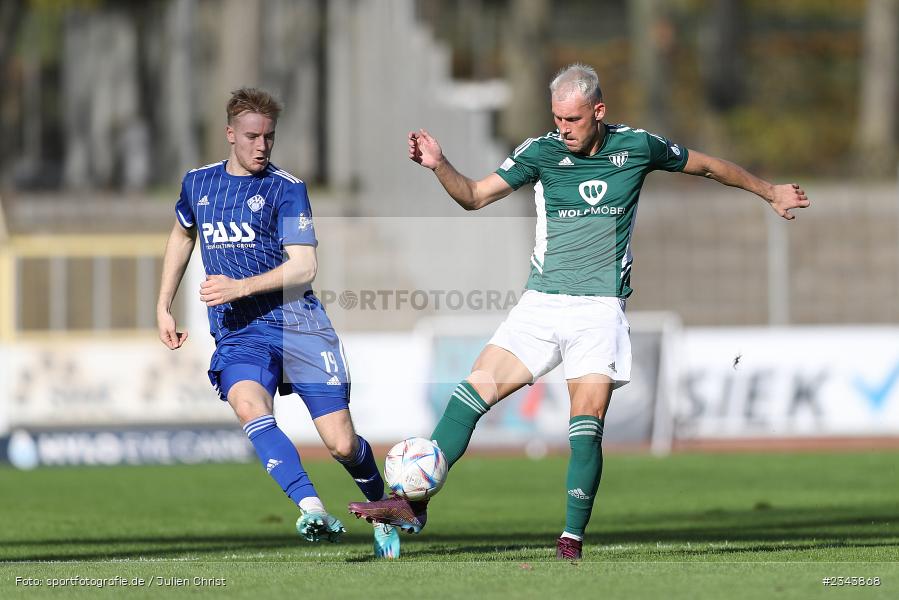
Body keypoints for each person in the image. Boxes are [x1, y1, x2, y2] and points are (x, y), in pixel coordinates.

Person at [349, 63, 810, 559]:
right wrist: (440, 164)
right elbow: (475, 196)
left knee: (586, 424)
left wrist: (770, 191)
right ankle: (411, 505)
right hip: (541, 305)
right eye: (557, 118)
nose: (563, 129)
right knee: (470, 393)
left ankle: (571, 539)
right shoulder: (540, 152)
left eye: (572, 119)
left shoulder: (638, 147)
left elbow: (709, 166)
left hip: (598, 311)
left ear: (598, 111)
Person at [157, 87, 400, 558]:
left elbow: (305, 267)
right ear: (230, 135)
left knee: (341, 444)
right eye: (252, 136)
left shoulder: (286, 188)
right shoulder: (198, 184)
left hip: (298, 325)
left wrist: (240, 286)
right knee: (249, 407)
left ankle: (384, 507)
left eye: (269, 137)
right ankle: (311, 508)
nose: (262, 146)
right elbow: (182, 234)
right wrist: (163, 304)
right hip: (240, 331)